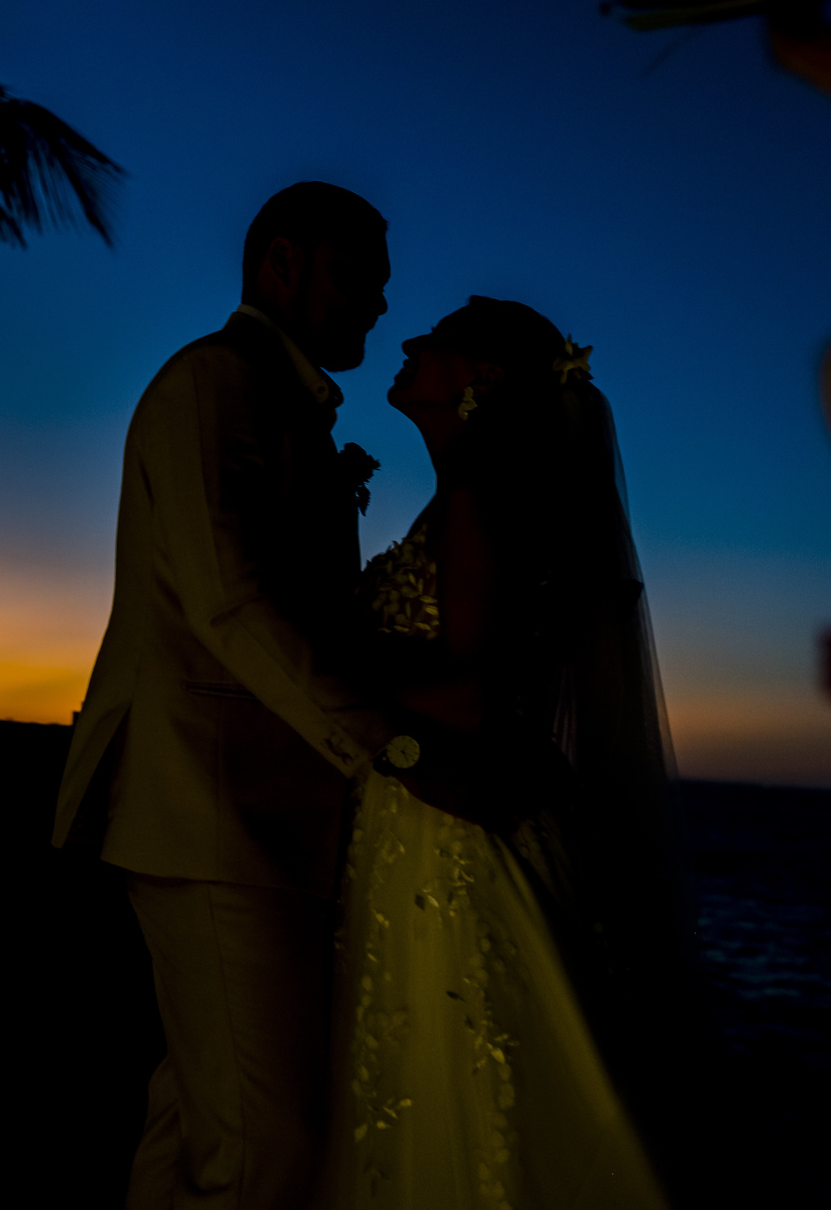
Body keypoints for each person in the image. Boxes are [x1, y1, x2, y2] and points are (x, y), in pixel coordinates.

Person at [52, 181, 395, 1210]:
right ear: (279, 263)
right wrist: (391, 753)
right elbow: (230, 599)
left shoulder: (273, 399)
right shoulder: (216, 384)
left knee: (198, 1121)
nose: (379, 302)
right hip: (211, 812)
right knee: (266, 1151)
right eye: (359, 276)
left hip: (260, 822)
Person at [321, 297, 685, 1210]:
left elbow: (473, 696)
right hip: (443, 824)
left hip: (450, 843)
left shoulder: (482, 500)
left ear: (482, 380)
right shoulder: (475, 500)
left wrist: (329, 651)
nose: (408, 342)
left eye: (435, 339)